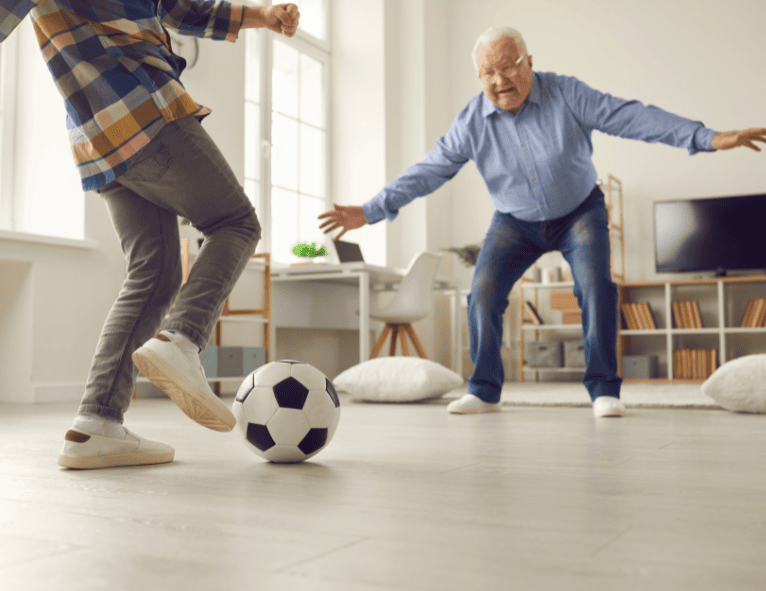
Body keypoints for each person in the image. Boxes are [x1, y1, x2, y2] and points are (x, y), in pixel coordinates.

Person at [318, 26, 766, 417]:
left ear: (528, 62)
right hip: (514, 221)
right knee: (483, 293)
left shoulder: (566, 93)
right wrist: (370, 210)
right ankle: (485, 390)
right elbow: (429, 170)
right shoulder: (472, 121)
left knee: (596, 287)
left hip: (580, 211)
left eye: (508, 67)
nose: (500, 80)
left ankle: (604, 391)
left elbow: (631, 116)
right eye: (488, 74)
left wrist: (705, 137)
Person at [0, 0, 300, 469]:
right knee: (235, 223)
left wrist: (261, 16)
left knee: (155, 271)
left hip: (97, 140)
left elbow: (181, 8)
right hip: (145, 111)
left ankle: (97, 424)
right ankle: (183, 341)